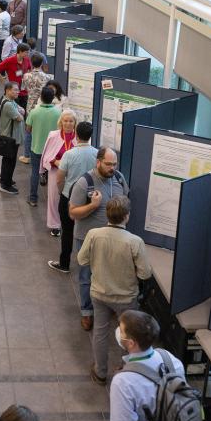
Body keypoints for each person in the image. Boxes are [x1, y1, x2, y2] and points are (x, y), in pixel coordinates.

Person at [78, 196, 153, 384]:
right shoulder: (135, 242)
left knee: (100, 333)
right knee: (129, 335)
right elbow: (145, 274)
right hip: (126, 298)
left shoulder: (94, 234)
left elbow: (82, 260)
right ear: (127, 216)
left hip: (99, 293)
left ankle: (100, 372)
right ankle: (125, 369)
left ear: (107, 214)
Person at [67, 147, 129, 332]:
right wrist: (93, 206)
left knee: (108, 275)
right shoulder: (84, 182)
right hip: (88, 239)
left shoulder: (119, 178)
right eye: (108, 164)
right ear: (98, 162)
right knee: (87, 277)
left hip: (113, 240)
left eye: (114, 164)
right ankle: (87, 312)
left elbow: (125, 200)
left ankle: (104, 306)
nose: (112, 168)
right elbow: (72, 213)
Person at [47, 122, 97, 275]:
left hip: (69, 196)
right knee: (90, 232)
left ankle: (64, 264)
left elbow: (60, 178)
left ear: (76, 135)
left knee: (67, 231)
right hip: (89, 198)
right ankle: (90, 266)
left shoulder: (69, 154)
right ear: (90, 136)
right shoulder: (97, 154)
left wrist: (64, 192)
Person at [24, 86, 62, 208]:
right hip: (53, 151)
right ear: (53, 98)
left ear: (41, 97)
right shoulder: (58, 112)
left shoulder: (34, 111)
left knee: (35, 172)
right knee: (53, 174)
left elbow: (28, 129)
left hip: (37, 148)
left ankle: (33, 198)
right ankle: (53, 201)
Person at [41, 110, 78, 236]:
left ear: (75, 123)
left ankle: (71, 222)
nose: (68, 124)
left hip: (73, 174)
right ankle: (54, 225)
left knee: (73, 198)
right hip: (56, 172)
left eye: (71, 121)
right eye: (65, 121)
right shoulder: (53, 135)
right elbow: (46, 156)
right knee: (54, 199)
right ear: (61, 122)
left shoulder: (79, 138)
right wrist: (57, 162)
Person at [19, 53, 52, 164]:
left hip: (30, 106)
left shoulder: (26, 76)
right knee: (43, 130)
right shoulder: (48, 77)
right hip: (43, 106)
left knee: (29, 131)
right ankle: (43, 153)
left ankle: (27, 155)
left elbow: (23, 88)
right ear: (42, 63)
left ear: (31, 63)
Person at [0, 81, 24, 195]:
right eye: (15, 90)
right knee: (9, 161)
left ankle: (4, 179)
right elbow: (19, 117)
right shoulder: (8, 104)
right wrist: (20, 113)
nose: (18, 92)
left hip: (11, 137)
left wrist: (20, 111)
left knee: (8, 160)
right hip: (10, 138)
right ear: (7, 90)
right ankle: (5, 185)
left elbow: (21, 109)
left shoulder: (10, 101)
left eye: (18, 89)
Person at [0, 43, 32, 110]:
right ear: (20, 51)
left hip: (24, 91)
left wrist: (28, 76)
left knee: (24, 112)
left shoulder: (27, 59)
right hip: (13, 92)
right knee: (15, 113)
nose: (27, 54)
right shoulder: (9, 60)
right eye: (26, 52)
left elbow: (30, 69)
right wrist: (4, 82)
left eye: (28, 52)